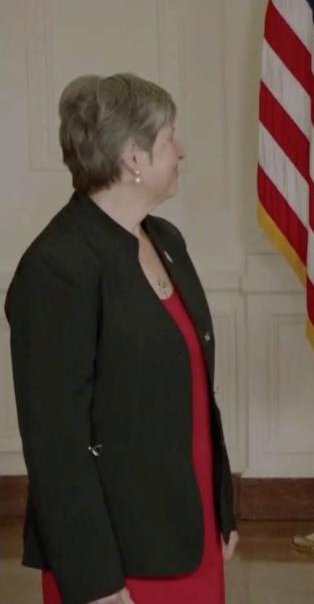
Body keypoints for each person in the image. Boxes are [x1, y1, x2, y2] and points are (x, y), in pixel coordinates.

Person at [7, 73, 239, 604]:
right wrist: (95, 582)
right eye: (169, 139)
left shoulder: (166, 239)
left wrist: (221, 509)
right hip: (115, 559)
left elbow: (196, 393)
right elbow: (55, 444)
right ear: (134, 158)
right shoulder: (57, 266)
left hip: (188, 534)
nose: (181, 152)